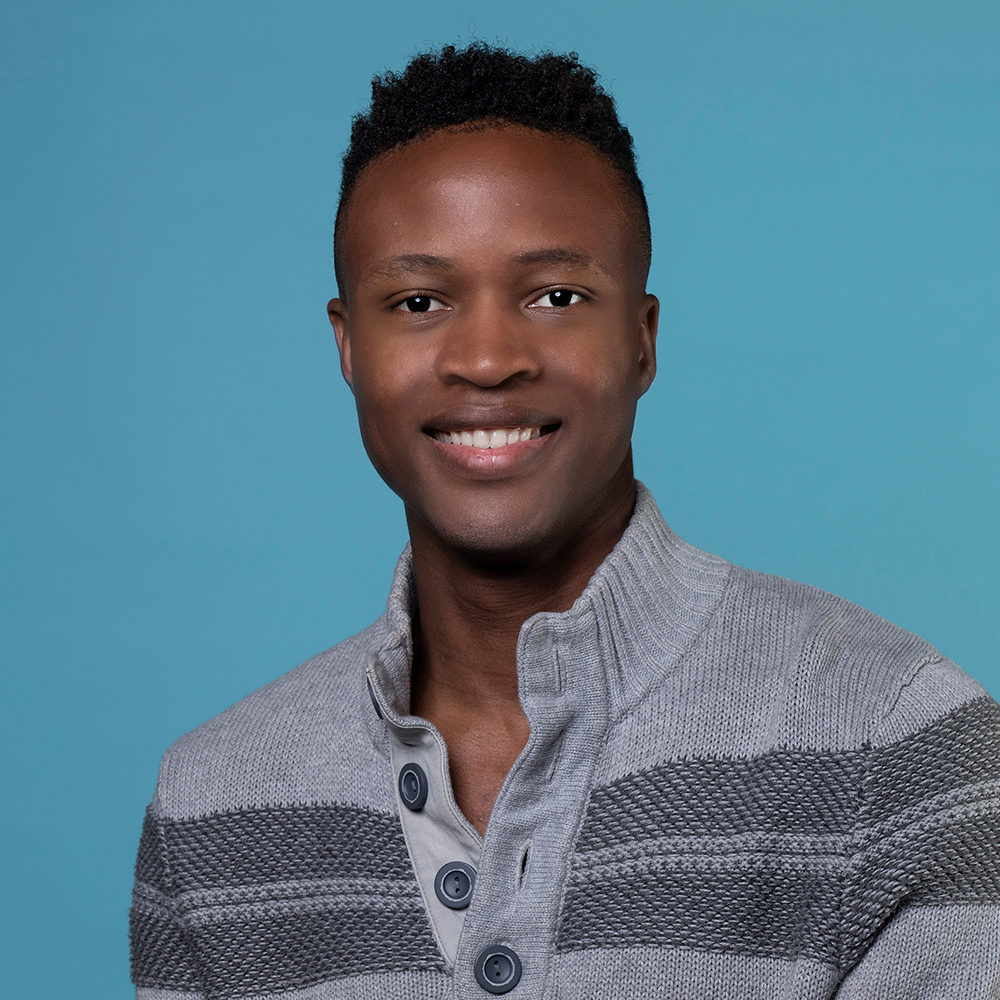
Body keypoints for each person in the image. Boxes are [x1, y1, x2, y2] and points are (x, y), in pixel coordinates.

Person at [129, 44, 1000, 999]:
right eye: (417, 301)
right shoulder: (210, 805)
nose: (487, 359)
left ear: (641, 339)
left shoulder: (896, 743)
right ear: (348, 346)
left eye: (556, 296)